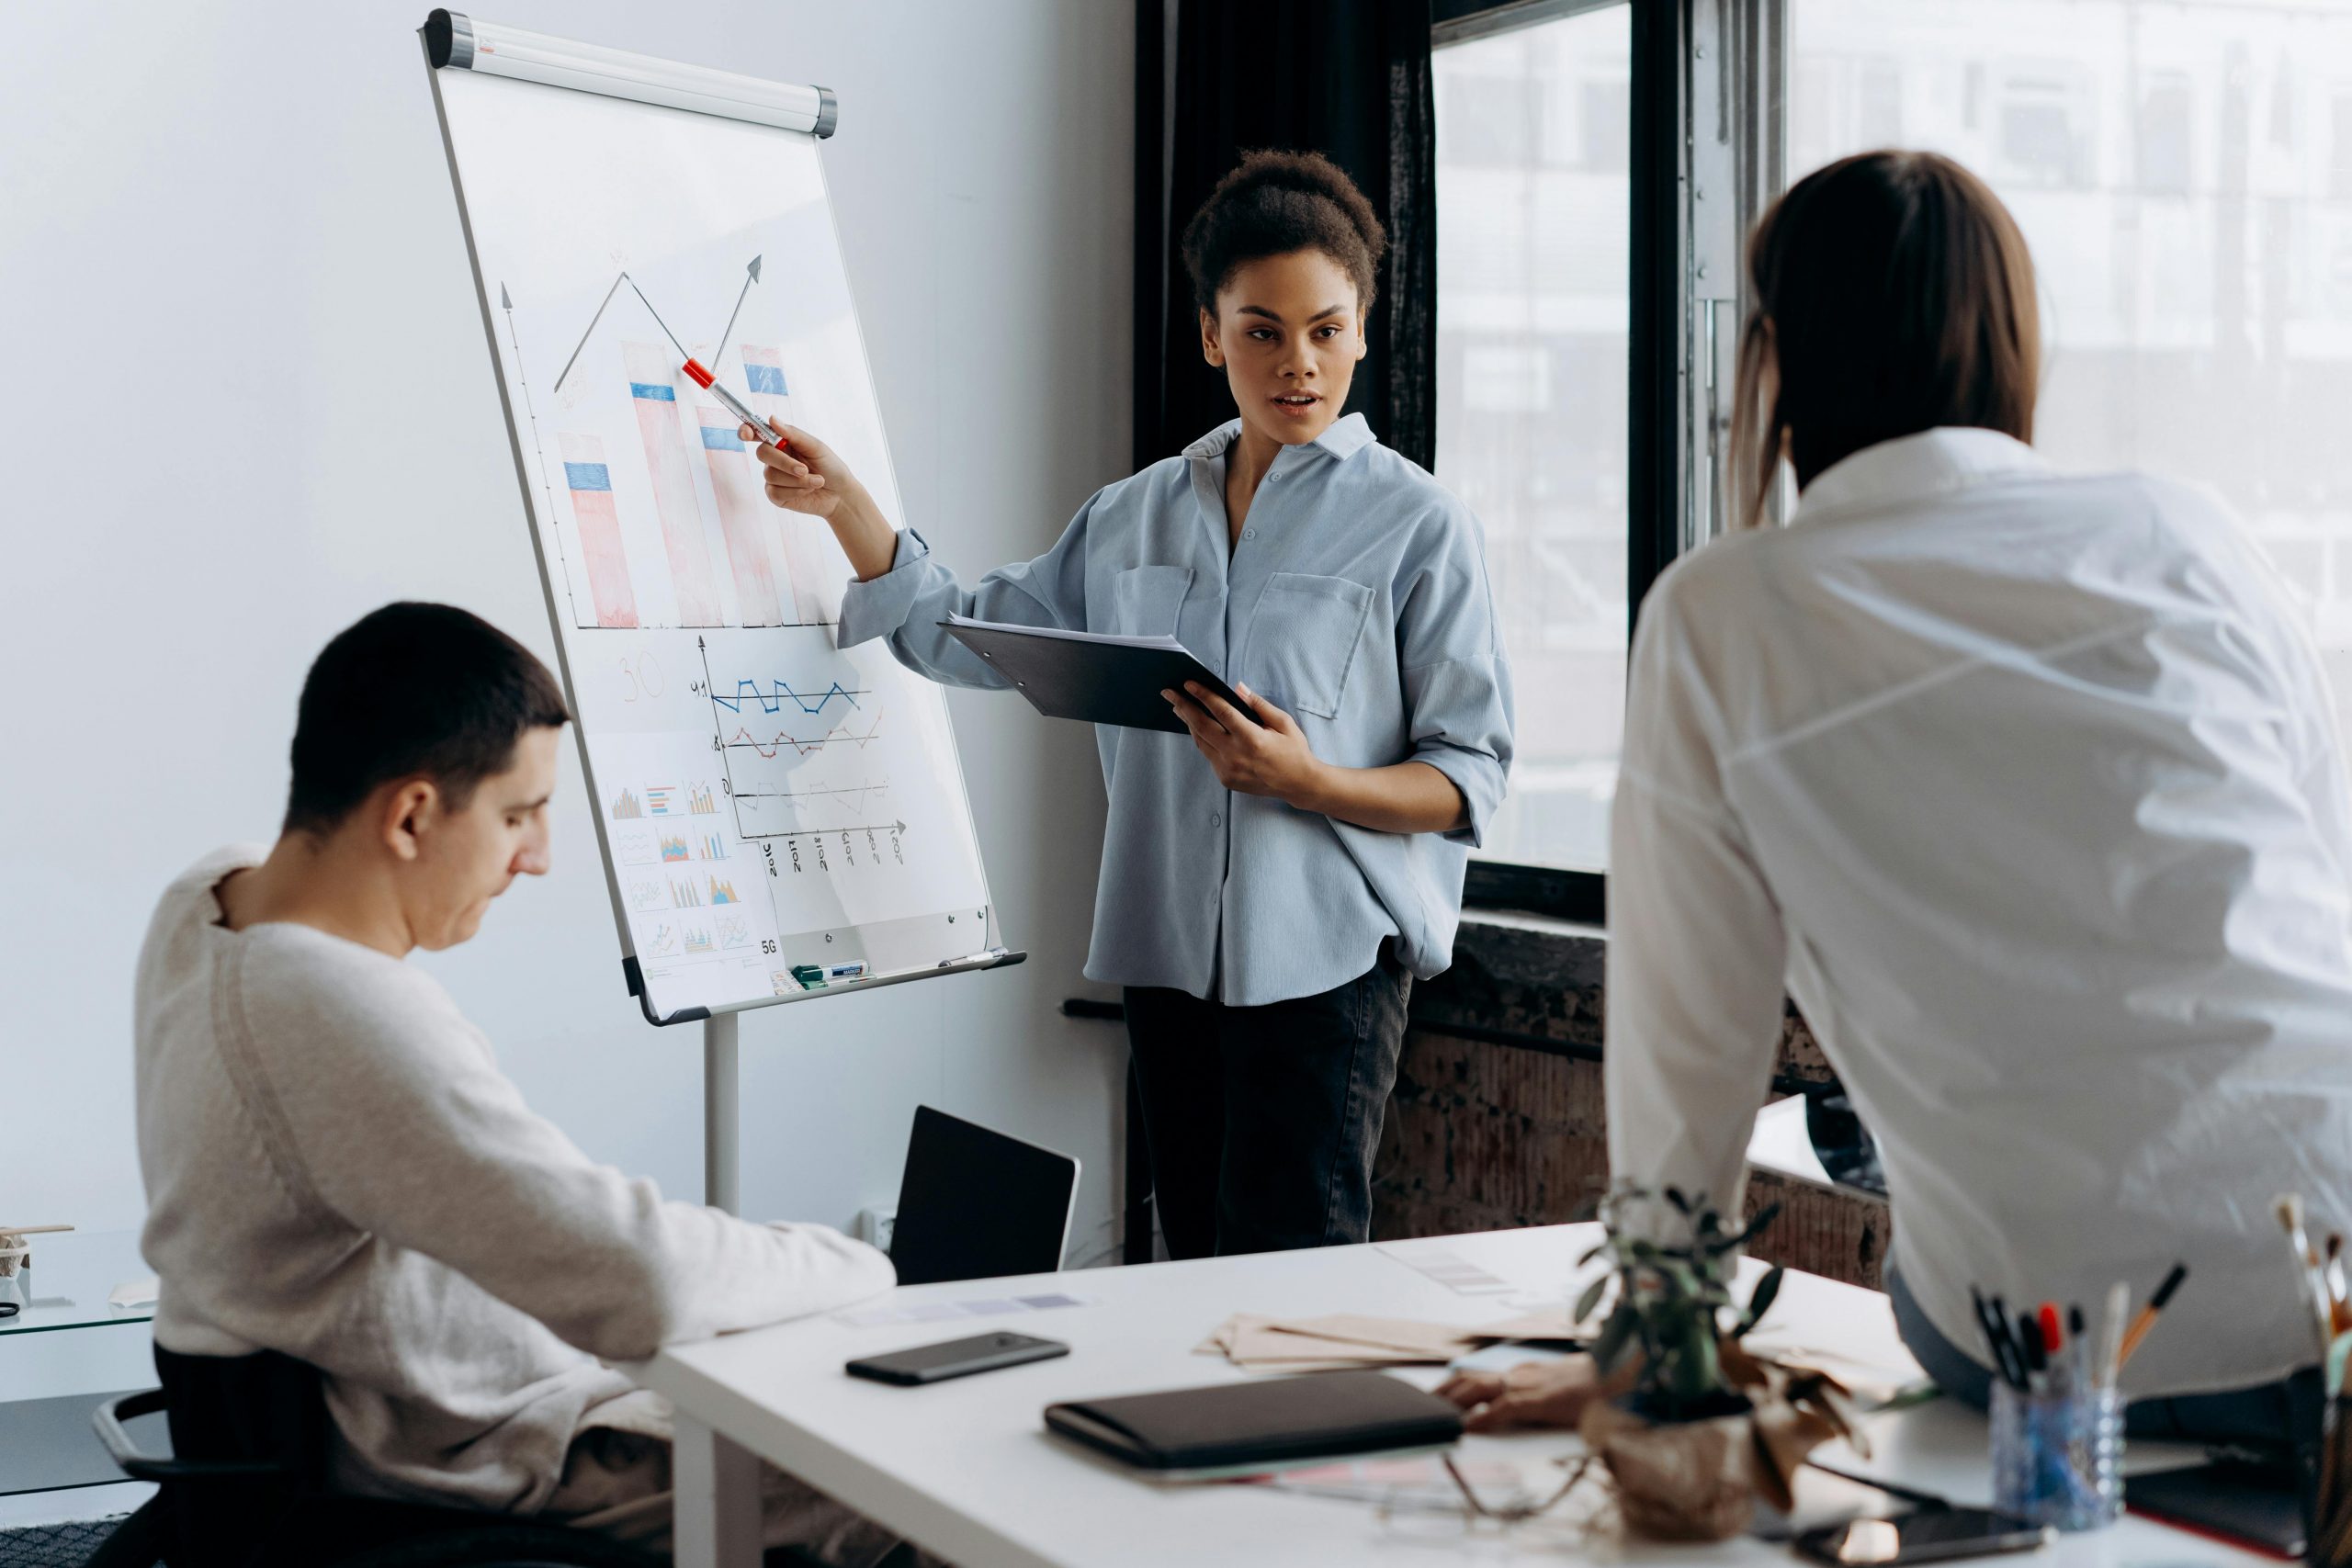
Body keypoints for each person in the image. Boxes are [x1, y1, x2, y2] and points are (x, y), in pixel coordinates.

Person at [1455, 151, 2348, 1443]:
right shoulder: (2186, 531)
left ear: (1775, 362)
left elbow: (1688, 1050)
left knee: (1932, 1279)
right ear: (2013, 345)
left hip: (2073, 1332)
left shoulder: (1722, 615)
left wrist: (1652, 1347)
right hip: (2340, 1266)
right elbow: (2322, 891)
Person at [741, 152, 1513, 1259]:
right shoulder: (1133, 513)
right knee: (1183, 1263)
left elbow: (1468, 776)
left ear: (1361, 327)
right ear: (1210, 334)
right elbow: (968, 635)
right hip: (1164, 951)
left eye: (1326, 330)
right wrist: (847, 508)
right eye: (1261, 330)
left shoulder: (1419, 524)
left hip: (1329, 965)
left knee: (1292, 1264)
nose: (1298, 364)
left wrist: (1309, 781)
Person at [133, 603, 915, 1563]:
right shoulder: (331, 1007)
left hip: (352, 1424)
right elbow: (640, 1281)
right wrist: (864, 1265)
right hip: (491, 1457)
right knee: (921, 1487)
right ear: (412, 814)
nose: (537, 858)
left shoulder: (206, 903)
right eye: (517, 815)